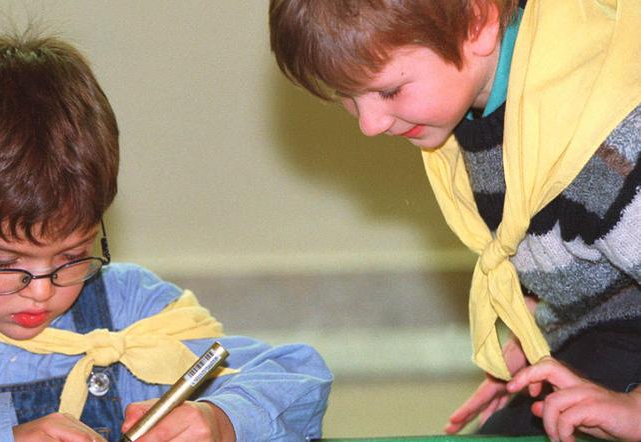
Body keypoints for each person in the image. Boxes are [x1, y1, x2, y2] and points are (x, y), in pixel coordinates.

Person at [0, 31, 332, 442]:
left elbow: (298, 377)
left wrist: (222, 419)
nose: (42, 290)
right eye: (4, 262)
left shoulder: (125, 308)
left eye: (72, 254)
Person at [269, 0, 641, 438]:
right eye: (346, 98)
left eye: (389, 91)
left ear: (478, 23)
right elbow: (576, 243)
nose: (369, 124)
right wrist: (540, 329)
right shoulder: (488, 109)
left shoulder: (608, 136)